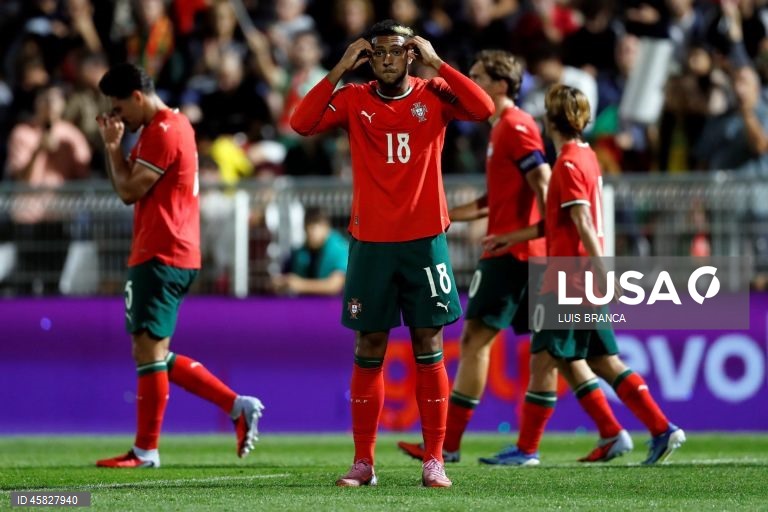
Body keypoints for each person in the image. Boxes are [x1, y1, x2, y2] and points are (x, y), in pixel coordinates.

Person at [397, 50, 633, 465]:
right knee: (558, 354)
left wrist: (528, 236)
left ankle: (448, 446)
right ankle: (611, 431)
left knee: (475, 340)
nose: (466, 83)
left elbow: (544, 185)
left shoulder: (516, 126)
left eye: (476, 76)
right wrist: (447, 216)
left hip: (515, 255)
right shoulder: (503, 129)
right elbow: (501, 198)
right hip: (526, 253)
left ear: (501, 85)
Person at [290, 19, 494, 487]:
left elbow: (483, 109)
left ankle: (434, 460)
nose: (386, 59)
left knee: (430, 344)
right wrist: (340, 67)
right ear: (369, 57)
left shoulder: (434, 92)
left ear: (410, 55)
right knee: (369, 347)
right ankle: (364, 462)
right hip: (371, 244)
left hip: (425, 242)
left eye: (396, 51)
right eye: (377, 52)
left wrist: (439, 61)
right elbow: (301, 123)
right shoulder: (354, 97)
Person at [481, 84, 685, 466]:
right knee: (603, 361)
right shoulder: (588, 157)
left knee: (543, 357)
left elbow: (583, 221)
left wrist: (602, 268)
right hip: (579, 277)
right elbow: (565, 222)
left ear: (549, 120)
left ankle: (526, 449)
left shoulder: (569, 164)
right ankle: (657, 428)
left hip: (567, 279)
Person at [94, 63, 264, 468]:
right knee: (151, 351)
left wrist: (111, 147)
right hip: (167, 248)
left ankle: (146, 450)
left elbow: (128, 190)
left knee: (148, 351)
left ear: (137, 96)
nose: (118, 118)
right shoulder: (169, 127)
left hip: (163, 250)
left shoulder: (163, 132)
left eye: (119, 108)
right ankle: (236, 405)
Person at [271, 206, 349, 295]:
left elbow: (334, 285)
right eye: (308, 227)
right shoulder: (301, 252)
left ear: (327, 227)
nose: (311, 232)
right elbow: (284, 278)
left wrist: (300, 285)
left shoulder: (340, 249)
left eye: (315, 227)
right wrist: (281, 283)